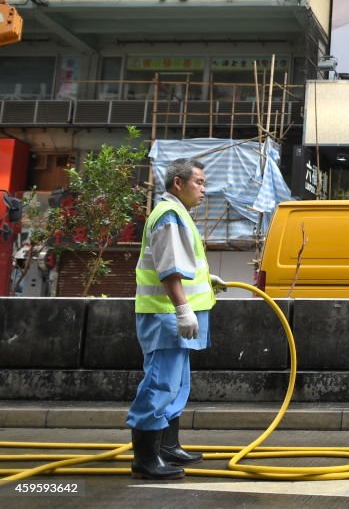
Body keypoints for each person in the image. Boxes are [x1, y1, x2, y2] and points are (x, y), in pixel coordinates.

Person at [125, 158, 226, 481]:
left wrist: (208, 280)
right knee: (160, 384)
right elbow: (168, 270)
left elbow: (183, 266)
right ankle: (145, 459)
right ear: (178, 184)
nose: (203, 190)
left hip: (173, 314)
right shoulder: (169, 215)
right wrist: (183, 309)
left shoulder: (179, 214)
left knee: (177, 383)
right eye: (199, 182)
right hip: (166, 314)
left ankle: (166, 447)